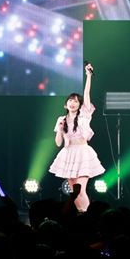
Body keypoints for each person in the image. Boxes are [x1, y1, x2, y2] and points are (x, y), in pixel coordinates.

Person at [49, 63, 105, 212]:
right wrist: (60, 129)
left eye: (75, 101)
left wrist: (88, 76)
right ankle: (82, 215)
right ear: (65, 104)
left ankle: (88, 216)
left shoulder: (84, 115)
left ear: (80, 105)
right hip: (69, 153)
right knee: (74, 193)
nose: (72, 103)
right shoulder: (61, 119)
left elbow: (86, 94)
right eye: (70, 100)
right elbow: (58, 143)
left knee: (80, 190)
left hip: (82, 152)